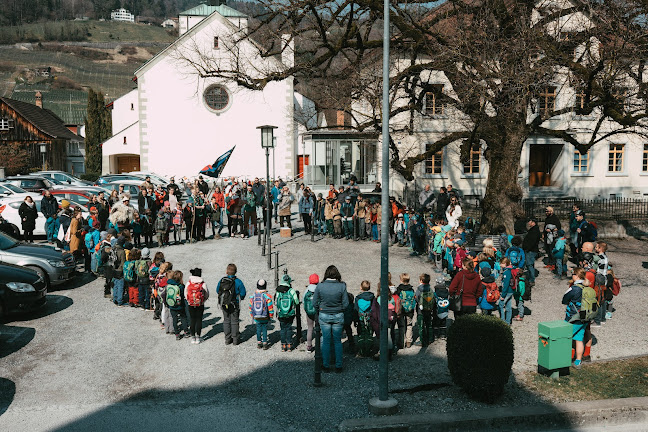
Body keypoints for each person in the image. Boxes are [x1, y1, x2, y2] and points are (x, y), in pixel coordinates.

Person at [313, 265, 349, 372]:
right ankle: (338, 365)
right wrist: (340, 309)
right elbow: (346, 303)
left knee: (326, 341)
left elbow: (314, 302)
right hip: (338, 314)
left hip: (324, 314)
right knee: (338, 341)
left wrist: (321, 309)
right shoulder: (342, 286)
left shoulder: (320, 286)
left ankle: (326, 364)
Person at [562, 267, 591, 368]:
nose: (571, 276)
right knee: (579, 339)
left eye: (573, 274)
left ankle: (563, 360)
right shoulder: (587, 287)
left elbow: (564, 300)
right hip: (585, 317)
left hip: (573, 317)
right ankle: (578, 361)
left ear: (577, 276)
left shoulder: (574, 288)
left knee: (565, 337)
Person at [216, 263, 247, 345]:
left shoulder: (222, 280)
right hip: (234, 304)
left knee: (226, 320)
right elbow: (243, 293)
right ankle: (235, 339)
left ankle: (227, 339)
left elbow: (217, 290)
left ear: (226, 271)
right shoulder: (238, 281)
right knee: (234, 321)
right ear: (235, 272)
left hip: (224, 303)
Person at [275, 273, 300, 351]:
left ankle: (283, 345)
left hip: (281, 313)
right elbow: (297, 301)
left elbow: (276, 302)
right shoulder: (291, 290)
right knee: (289, 328)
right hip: (290, 313)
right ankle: (289, 345)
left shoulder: (278, 291)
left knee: (282, 329)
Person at [185, 268, 209, 344]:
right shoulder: (203, 284)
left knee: (192, 320)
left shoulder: (189, 283)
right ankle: (198, 337)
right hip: (200, 304)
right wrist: (203, 301)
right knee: (199, 320)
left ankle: (193, 337)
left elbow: (185, 294)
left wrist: (189, 301)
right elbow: (207, 294)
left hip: (191, 304)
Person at [250, 279, 274, 350]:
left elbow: (250, 306)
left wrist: (252, 315)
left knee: (258, 328)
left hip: (256, 316)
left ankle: (259, 342)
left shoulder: (253, 296)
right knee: (264, 329)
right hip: (264, 316)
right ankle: (265, 343)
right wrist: (271, 315)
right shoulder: (267, 296)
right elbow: (270, 307)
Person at [353, 280, 375, 356]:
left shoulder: (358, 298)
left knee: (361, 333)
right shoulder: (372, 297)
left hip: (361, 318)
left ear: (361, 287)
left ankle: (362, 350)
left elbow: (356, 309)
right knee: (369, 332)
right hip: (369, 317)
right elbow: (374, 308)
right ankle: (370, 348)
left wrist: (355, 320)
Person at [166, 270, 188, 341]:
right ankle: (186, 332)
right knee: (183, 318)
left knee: (174, 319)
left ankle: (177, 334)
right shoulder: (181, 286)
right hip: (180, 305)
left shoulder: (169, 285)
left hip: (172, 305)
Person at [415, 273, 434, 346]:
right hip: (429, 310)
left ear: (421, 280)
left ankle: (422, 340)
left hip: (421, 311)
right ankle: (430, 339)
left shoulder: (419, 289)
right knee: (429, 324)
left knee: (421, 326)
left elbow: (416, 298)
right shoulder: (430, 289)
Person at [397, 273, 416, 348]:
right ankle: (409, 341)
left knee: (401, 326)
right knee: (409, 325)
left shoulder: (399, 289)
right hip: (410, 310)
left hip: (401, 310)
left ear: (401, 280)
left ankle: (401, 342)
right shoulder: (411, 289)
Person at [523, 218, 541, 288]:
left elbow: (532, 242)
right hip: (531, 250)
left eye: (529, 221)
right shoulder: (533, 230)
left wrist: (527, 248)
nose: (528, 223)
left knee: (529, 264)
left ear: (533, 222)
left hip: (531, 250)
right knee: (530, 264)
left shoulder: (534, 231)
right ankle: (530, 277)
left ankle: (531, 280)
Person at [111, 236, 127, 307]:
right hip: (120, 270)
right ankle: (120, 300)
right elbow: (123, 262)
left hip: (114, 269)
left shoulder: (113, 248)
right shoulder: (122, 251)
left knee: (115, 285)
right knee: (120, 286)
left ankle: (115, 298)